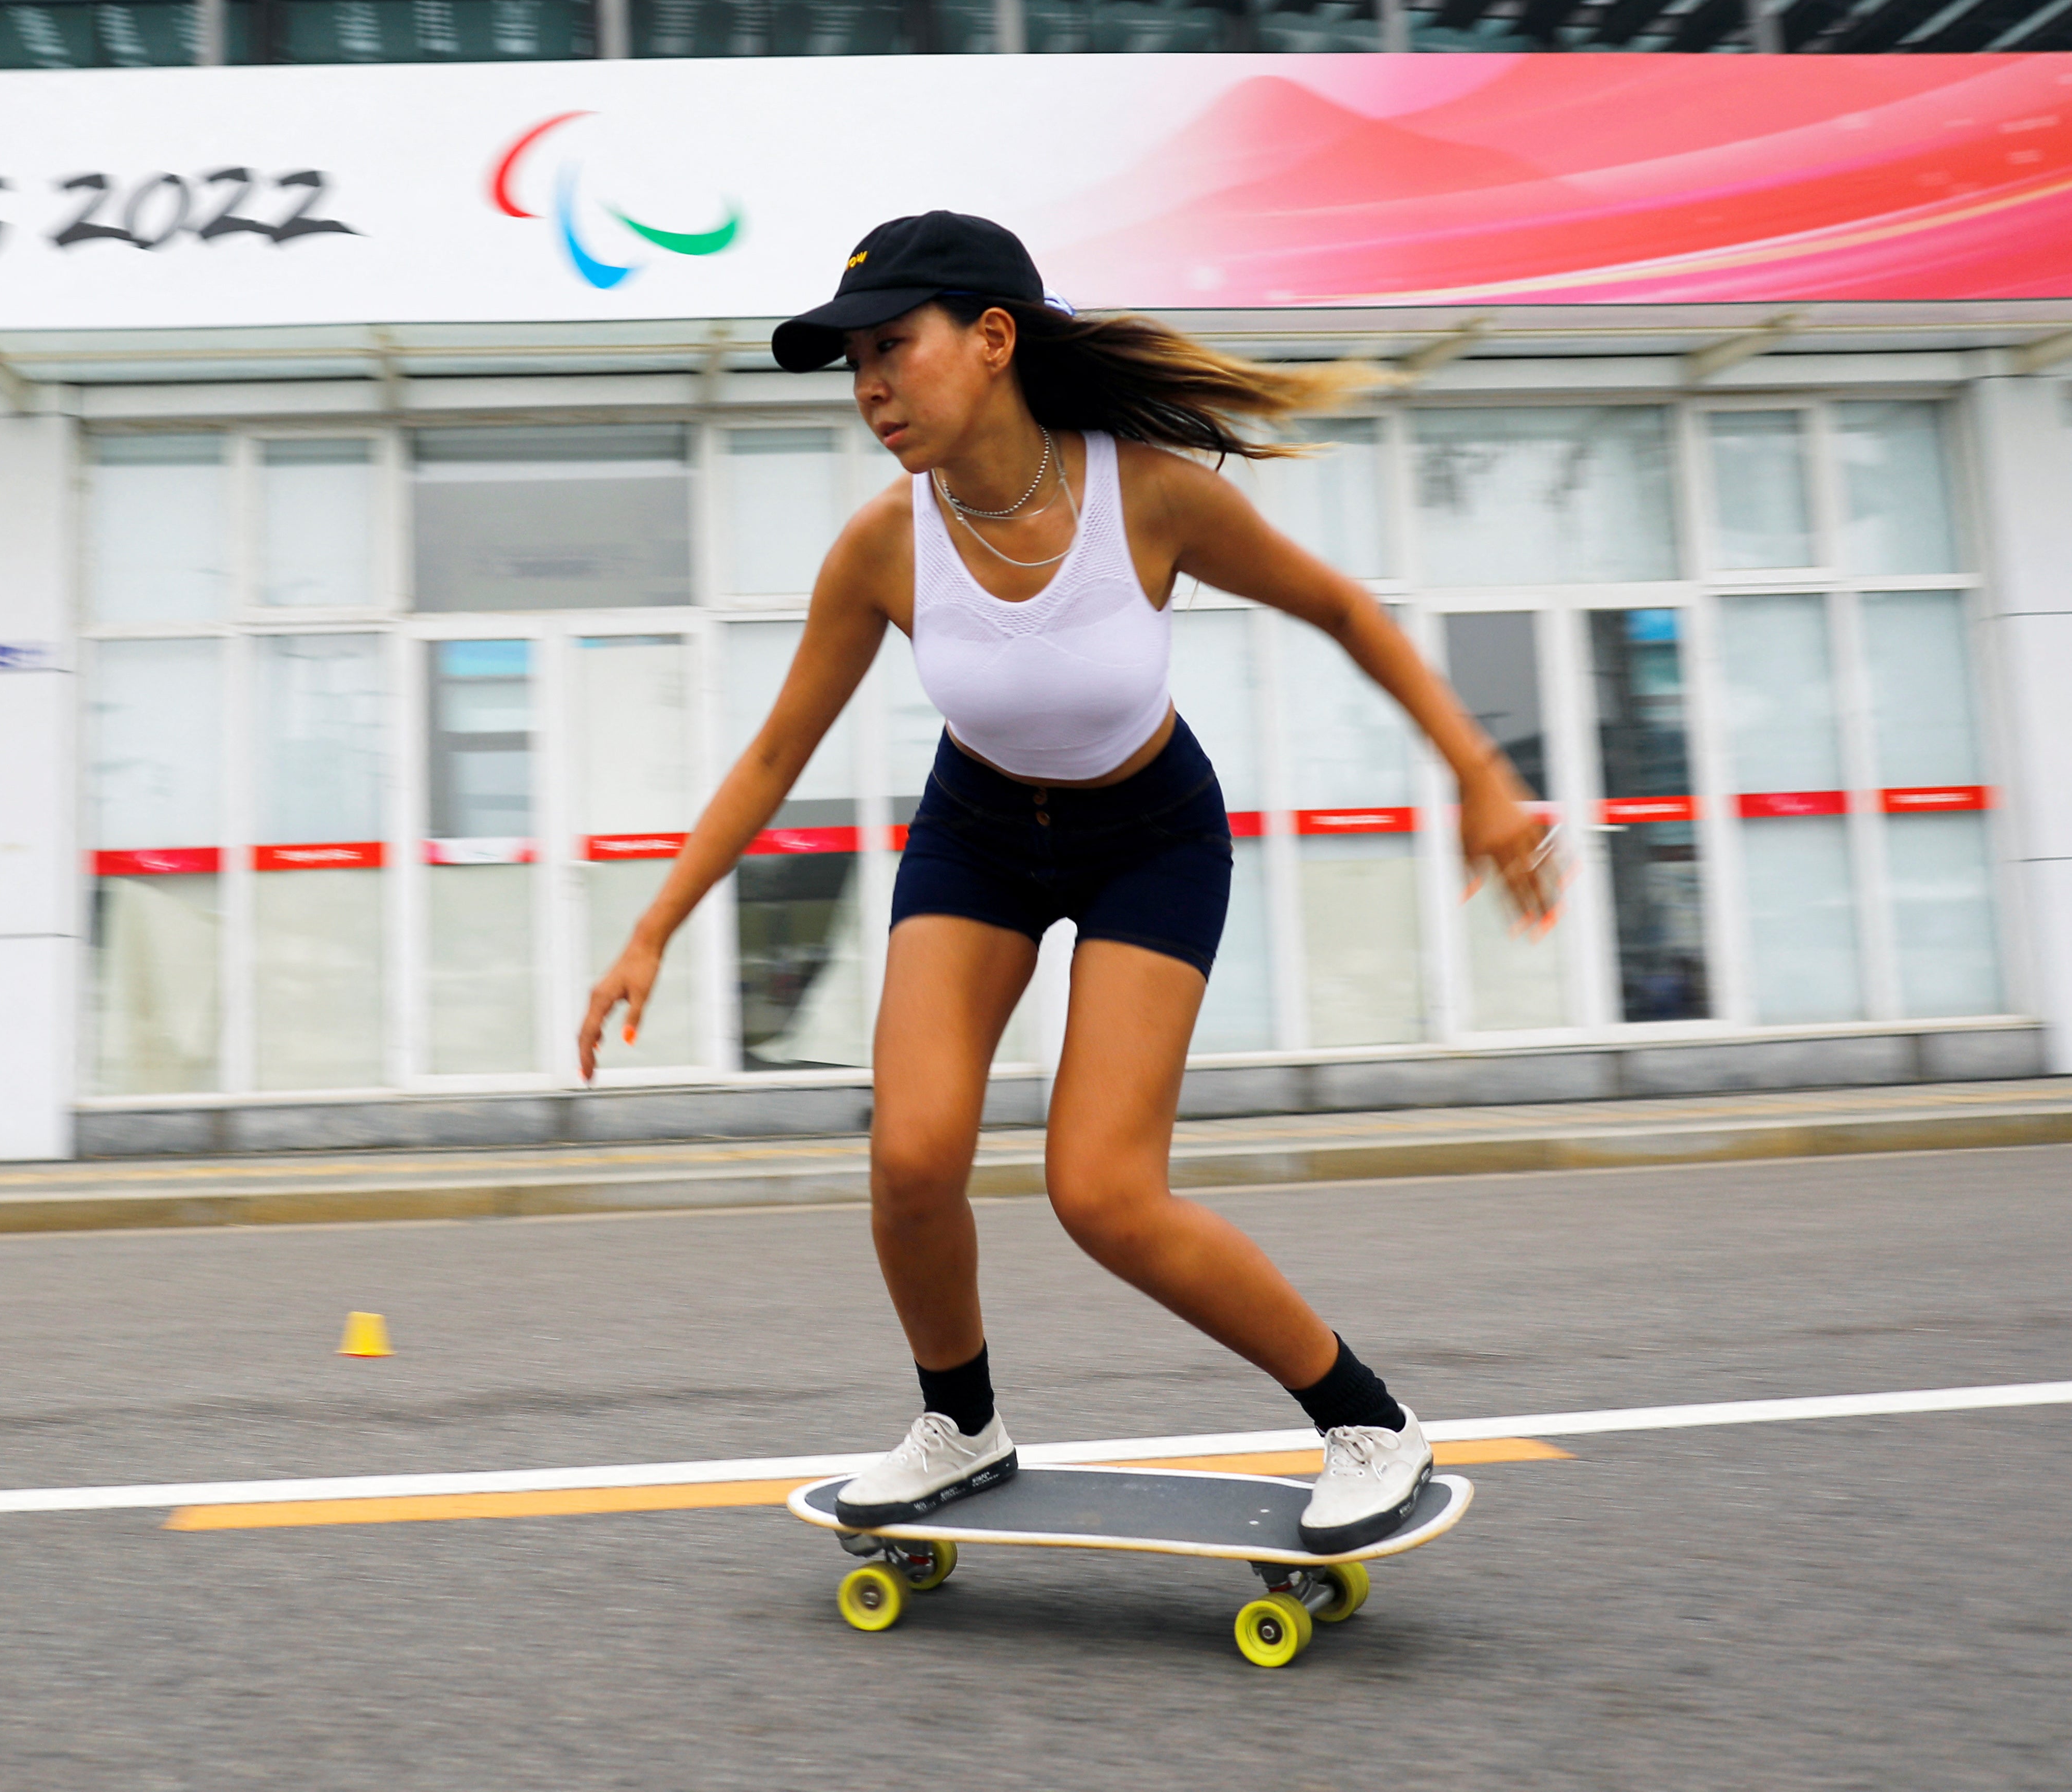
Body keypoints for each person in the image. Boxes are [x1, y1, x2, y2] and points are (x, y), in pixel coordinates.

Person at [577, 210, 1559, 1547]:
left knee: (1102, 1194)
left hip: (1150, 834)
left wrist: (1480, 774)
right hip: (977, 831)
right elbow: (769, 757)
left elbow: (1341, 608)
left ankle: (1369, 1423)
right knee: (911, 1158)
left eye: (891, 349)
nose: (869, 386)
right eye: (852, 360)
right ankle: (959, 1423)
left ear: (991, 342)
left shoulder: (1140, 492)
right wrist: (651, 931)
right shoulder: (884, 547)